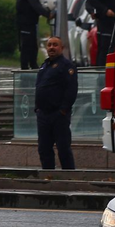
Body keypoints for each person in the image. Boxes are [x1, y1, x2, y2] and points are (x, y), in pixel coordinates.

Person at [35, 36, 77, 170]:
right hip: (43, 115)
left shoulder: (67, 66)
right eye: (49, 45)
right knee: (43, 148)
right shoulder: (45, 65)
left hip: (58, 114)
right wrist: (37, 108)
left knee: (63, 148)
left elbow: (71, 89)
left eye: (55, 45)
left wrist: (63, 110)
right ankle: (48, 175)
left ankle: (69, 176)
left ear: (61, 48)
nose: (51, 47)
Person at [16, 0, 53, 70]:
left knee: (32, 44)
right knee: (27, 45)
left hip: (30, 20)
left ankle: (33, 64)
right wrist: (47, 14)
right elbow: (35, 3)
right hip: (25, 20)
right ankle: (25, 67)